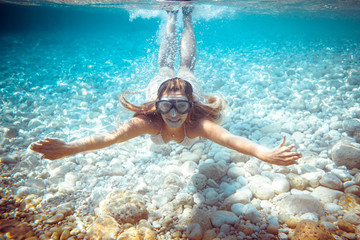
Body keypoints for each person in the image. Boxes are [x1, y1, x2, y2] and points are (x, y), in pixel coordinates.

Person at [30, 7, 301, 166]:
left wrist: (265, 154)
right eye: (166, 108)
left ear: (190, 105)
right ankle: (172, 16)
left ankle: (187, 17)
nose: (173, 114)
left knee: (186, 68)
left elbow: (233, 140)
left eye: (180, 107)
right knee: (163, 68)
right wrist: (68, 148)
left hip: (188, 86)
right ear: (156, 107)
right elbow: (108, 139)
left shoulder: (196, 123)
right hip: (159, 86)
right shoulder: (147, 121)